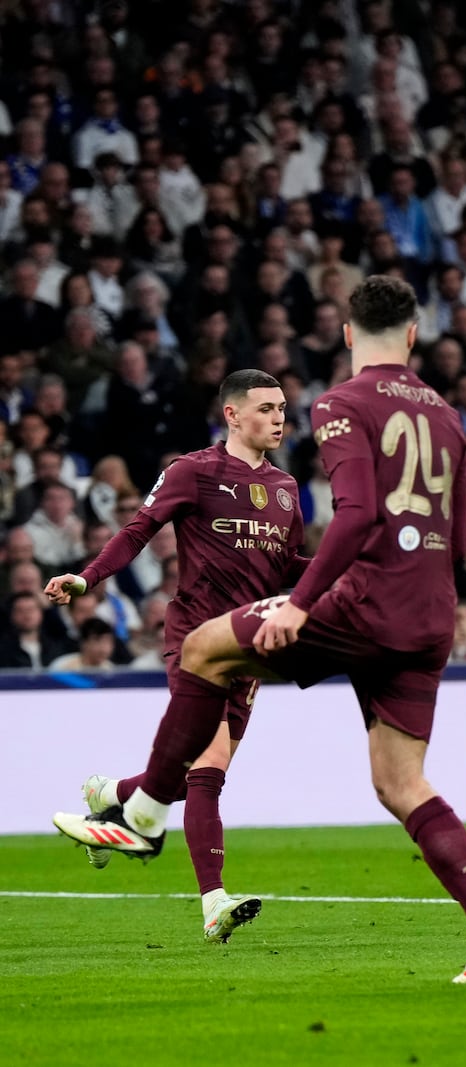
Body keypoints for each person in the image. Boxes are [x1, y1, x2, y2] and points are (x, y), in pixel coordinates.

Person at [52, 278, 466, 985]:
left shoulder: (341, 404)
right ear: (415, 334)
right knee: (401, 783)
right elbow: (457, 537)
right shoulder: (452, 419)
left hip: (361, 604)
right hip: (431, 613)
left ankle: (144, 811)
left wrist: (302, 603)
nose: (281, 415)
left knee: (203, 648)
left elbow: (359, 514)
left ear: (346, 334)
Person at [44, 369, 304, 944]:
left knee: (197, 776)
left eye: (283, 407)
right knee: (208, 771)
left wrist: (357, 574)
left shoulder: (287, 489)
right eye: (265, 408)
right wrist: (88, 579)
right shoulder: (195, 471)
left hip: (253, 650)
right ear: (232, 415)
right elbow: (138, 531)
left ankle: (108, 797)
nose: (279, 417)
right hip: (199, 637)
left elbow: (290, 570)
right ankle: (214, 903)